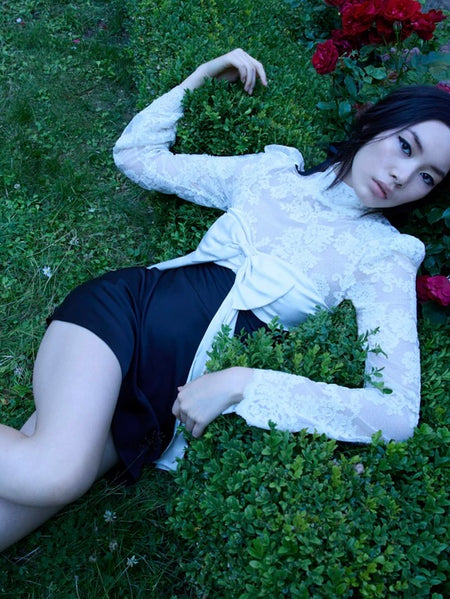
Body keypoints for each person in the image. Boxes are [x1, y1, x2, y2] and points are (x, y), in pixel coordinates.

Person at [1, 49, 449, 552]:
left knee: (18, 501)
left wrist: (245, 384)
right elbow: (138, 156)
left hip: (163, 401)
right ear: (376, 124)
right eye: (406, 147)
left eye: (427, 176)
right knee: (55, 474)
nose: (402, 176)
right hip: (121, 321)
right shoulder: (273, 173)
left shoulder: (385, 255)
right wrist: (201, 75)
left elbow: (395, 412)